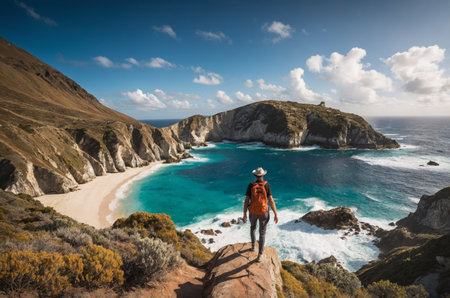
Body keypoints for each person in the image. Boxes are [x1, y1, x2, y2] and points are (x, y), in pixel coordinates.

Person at [243, 167, 278, 262]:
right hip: (263, 212)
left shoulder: (251, 185)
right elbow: (271, 200)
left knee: (252, 228)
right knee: (262, 233)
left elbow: (246, 200)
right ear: (263, 175)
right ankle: (260, 255)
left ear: (255, 175)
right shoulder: (266, 185)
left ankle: (253, 246)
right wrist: (275, 214)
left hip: (253, 211)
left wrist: (244, 214)